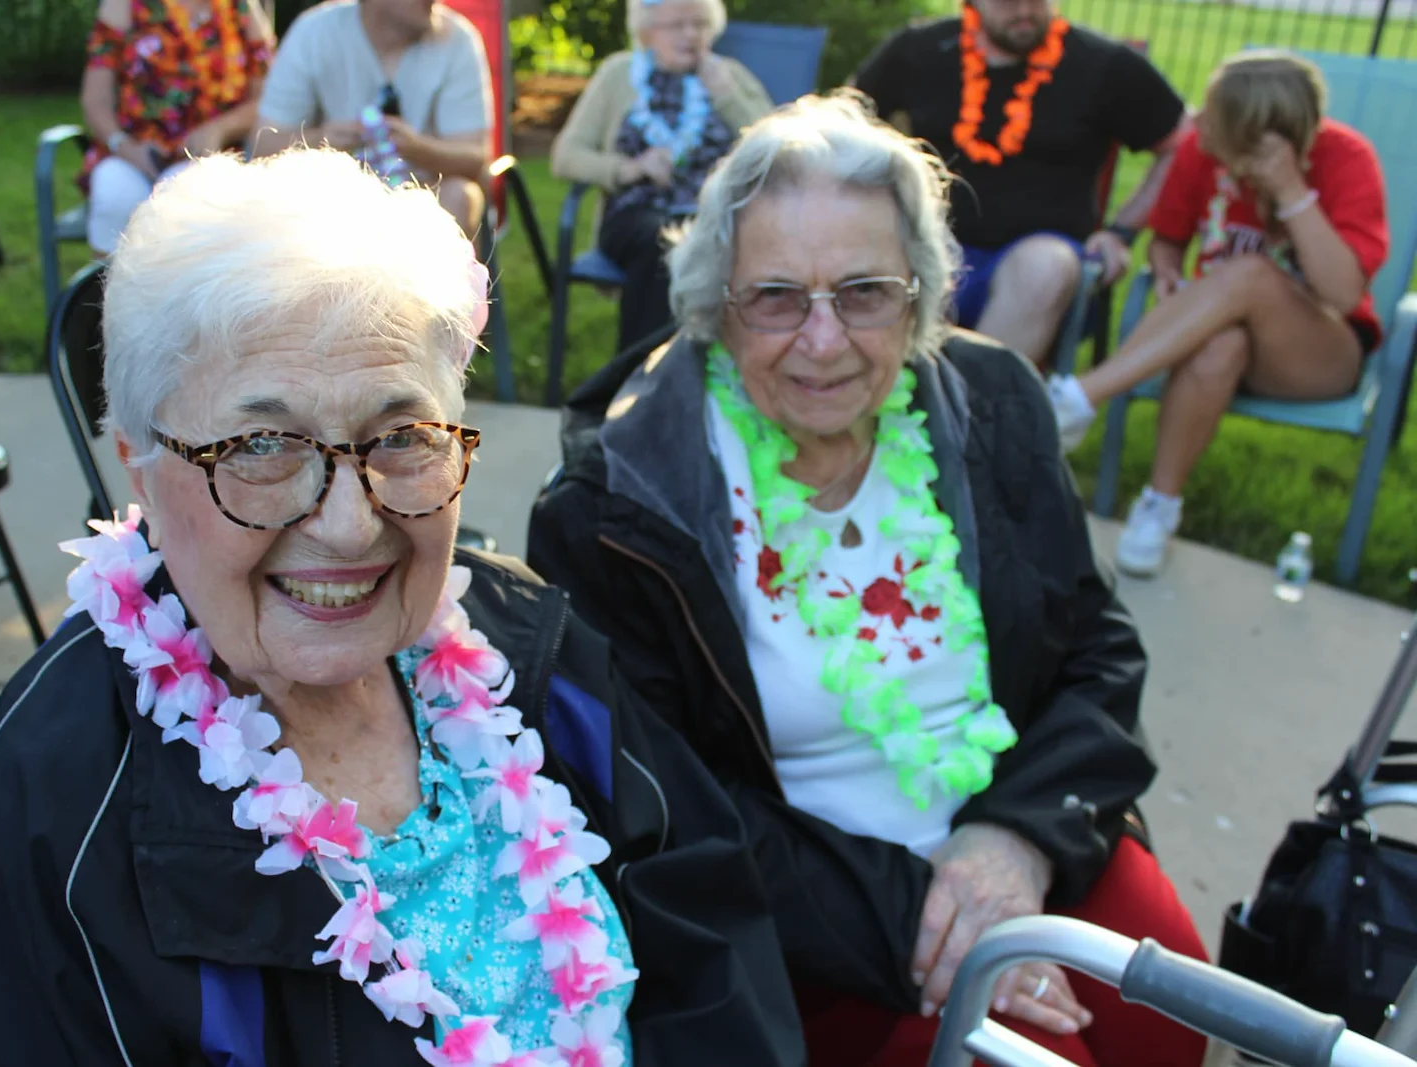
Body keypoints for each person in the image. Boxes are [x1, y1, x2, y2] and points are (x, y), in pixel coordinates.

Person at [0, 148, 804, 1067]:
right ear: (137, 465)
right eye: (263, 444)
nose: (351, 527)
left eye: (401, 437)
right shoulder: (63, 786)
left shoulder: (525, 640)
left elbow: (714, 942)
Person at [528, 93, 1207, 1067]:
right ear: (714, 302)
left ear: (920, 293)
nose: (823, 339)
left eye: (863, 291)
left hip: (1020, 828)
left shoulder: (994, 402)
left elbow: (1095, 649)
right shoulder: (614, 503)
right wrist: (923, 919)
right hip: (805, 920)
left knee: (1180, 1017)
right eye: (774, 296)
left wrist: (1017, 841)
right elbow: (665, 809)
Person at [1047, 52, 1387, 579]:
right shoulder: (1199, 152)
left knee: (1250, 274)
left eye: (1215, 117)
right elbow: (1168, 241)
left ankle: (1079, 397)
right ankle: (1159, 509)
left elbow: (1343, 296)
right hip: (1218, 342)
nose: (1199, 125)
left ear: (1258, 136)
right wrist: (1164, 271)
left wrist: (1292, 192)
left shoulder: (1346, 158)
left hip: (1317, 357)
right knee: (1219, 344)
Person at [851, 0, 1190, 366]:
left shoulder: (1102, 64)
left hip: (1043, 258)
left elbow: (1184, 145)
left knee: (1042, 268)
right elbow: (844, 129)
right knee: (885, 257)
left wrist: (1121, 232)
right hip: (928, 242)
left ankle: (983, 412)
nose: (1026, 11)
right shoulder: (919, 50)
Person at [551, 0, 771, 355]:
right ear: (647, 31)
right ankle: (639, 376)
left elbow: (775, 147)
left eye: (699, 24)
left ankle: (716, 377)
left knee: (710, 237)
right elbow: (565, 156)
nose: (690, 35)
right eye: (677, 25)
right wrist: (629, 168)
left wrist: (727, 97)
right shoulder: (618, 74)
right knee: (665, 240)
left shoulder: (730, 76)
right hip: (636, 214)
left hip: (714, 213)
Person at [252, 0, 492, 234]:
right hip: (330, 206)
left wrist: (418, 148)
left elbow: (475, 157)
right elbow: (263, 147)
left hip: (425, 204)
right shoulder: (313, 33)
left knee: (460, 195)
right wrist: (320, 140)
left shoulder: (458, 40)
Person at [78, 0, 273, 255]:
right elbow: (95, 100)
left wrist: (218, 130)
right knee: (114, 196)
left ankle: (175, 292)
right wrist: (125, 147)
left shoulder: (240, 7)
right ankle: (105, 290)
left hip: (207, 154)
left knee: (184, 203)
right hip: (131, 150)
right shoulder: (123, 5)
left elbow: (270, 100)